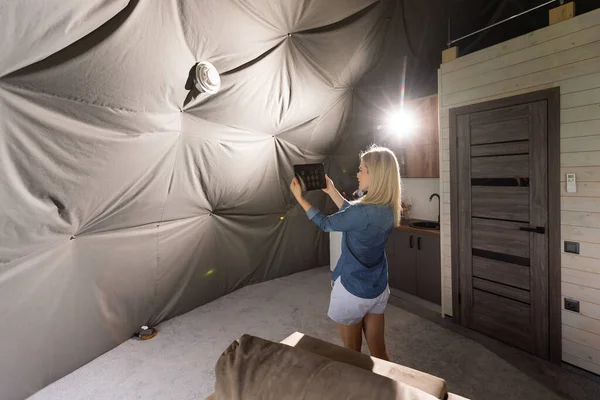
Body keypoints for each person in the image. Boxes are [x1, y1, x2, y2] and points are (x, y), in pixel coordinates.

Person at [289, 145, 401, 361]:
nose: (357, 174)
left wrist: (300, 198)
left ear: (375, 174)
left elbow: (325, 223)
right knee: (379, 351)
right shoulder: (388, 209)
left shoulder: (362, 212)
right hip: (377, 289)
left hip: (352, 291)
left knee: (351, 354)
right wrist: (331, 191)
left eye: (362, 169)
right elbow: (356, 216)